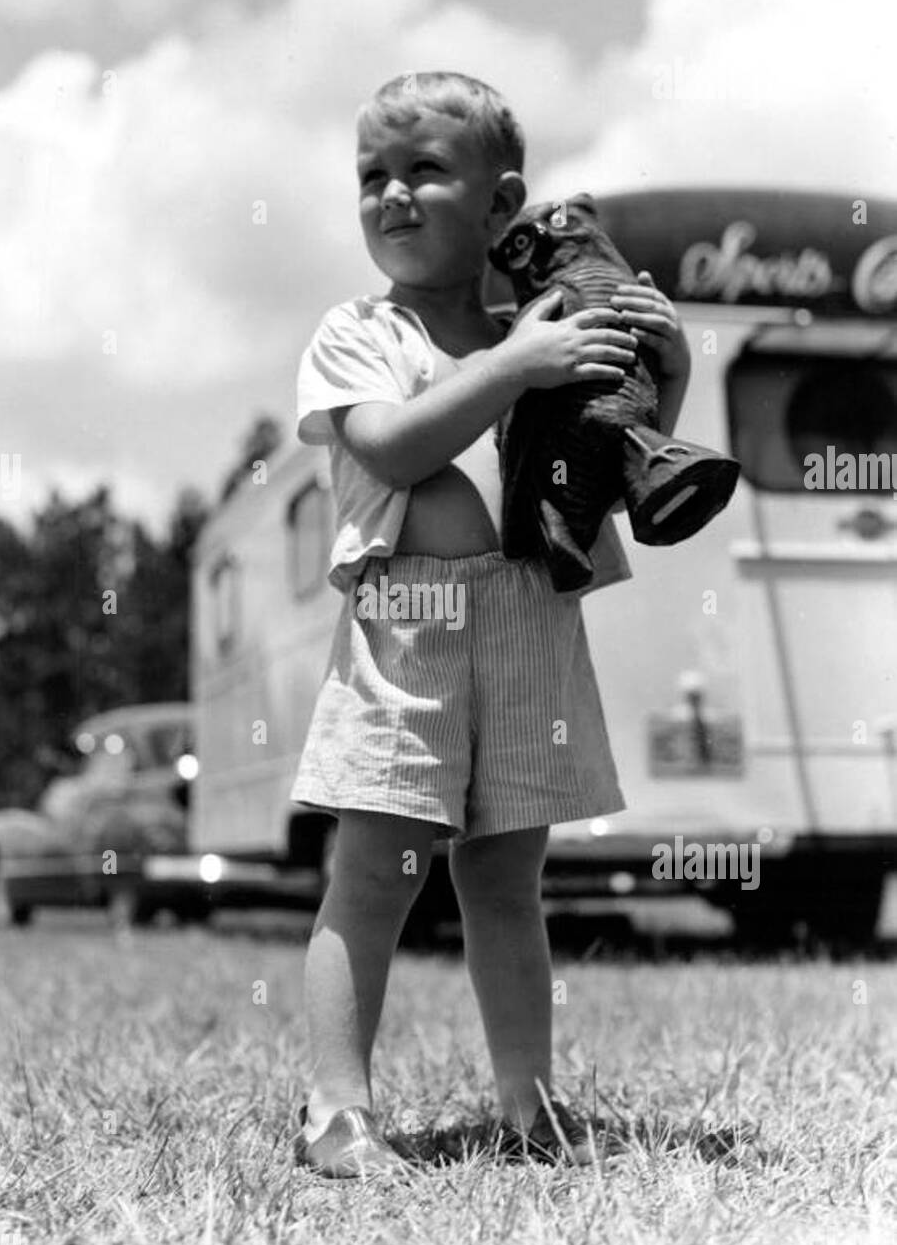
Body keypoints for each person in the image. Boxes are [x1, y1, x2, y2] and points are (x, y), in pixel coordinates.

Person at [289, 71, 691, 1177]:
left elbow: (609, 467)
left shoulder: (545, 325)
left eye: (424, 170)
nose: (391, 195)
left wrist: (667, 366)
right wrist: (514, 366)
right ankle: (335, 1112)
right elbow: (391, 447)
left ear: (500, 201)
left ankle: (529, 1103)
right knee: (374, 870)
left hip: (525, 613)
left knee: (506, 881)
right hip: (406, 621)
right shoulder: (357, 331)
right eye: (371, 175)